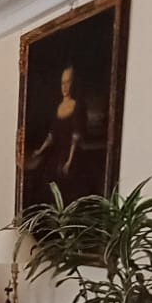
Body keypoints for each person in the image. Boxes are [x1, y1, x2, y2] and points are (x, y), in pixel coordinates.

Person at [23, 64, 93, 203]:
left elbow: (75, 137)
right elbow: (52, 135)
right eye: (62, 83)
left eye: (68, 82)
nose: (65, 87)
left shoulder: (77, 106)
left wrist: (69, 161)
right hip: (56, 153)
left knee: (69, 188)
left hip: (72, 155)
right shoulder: (59, 107)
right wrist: (39, 151)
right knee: (45, 184)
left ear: (73, 84)